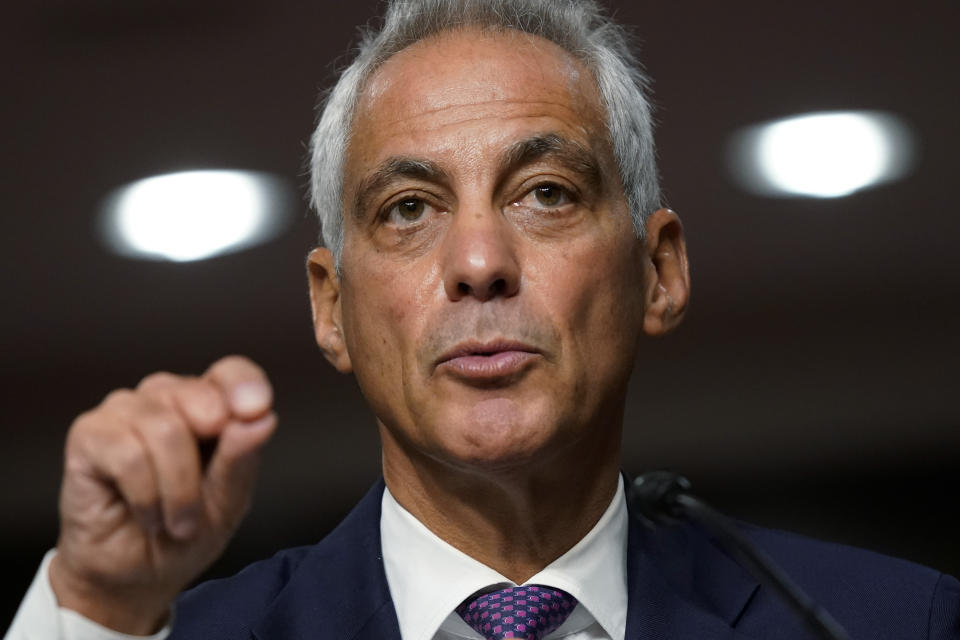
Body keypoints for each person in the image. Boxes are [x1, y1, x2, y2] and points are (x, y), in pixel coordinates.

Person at [6, 0, 960, 639]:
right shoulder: (174, 638)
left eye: (545, 193)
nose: (478, 264)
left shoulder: (883, 621)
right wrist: (97, 606)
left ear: (658, 271)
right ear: (331, 310)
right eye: (409, 209)